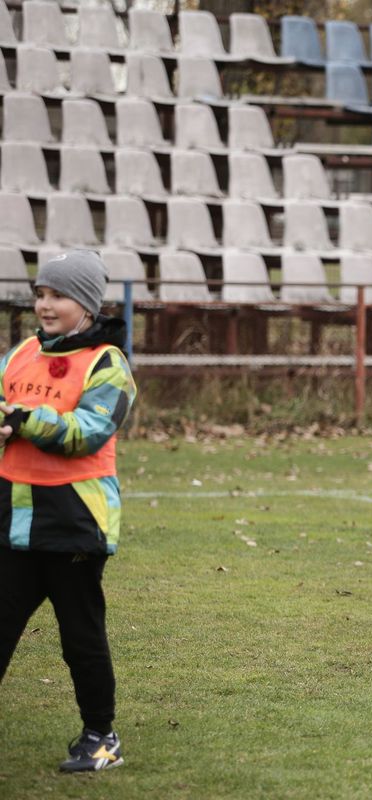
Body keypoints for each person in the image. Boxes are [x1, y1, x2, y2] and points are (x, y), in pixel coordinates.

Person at [0, 250, 137, 772]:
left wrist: (24, 419)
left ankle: (101, 737)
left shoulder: (109, 365)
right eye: (40, 294)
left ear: (85, 303)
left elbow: (87, 433)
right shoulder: (18, 356)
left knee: (80, 637)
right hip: (14, 520)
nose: (45, 305)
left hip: (76, 524)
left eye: (57, 295)